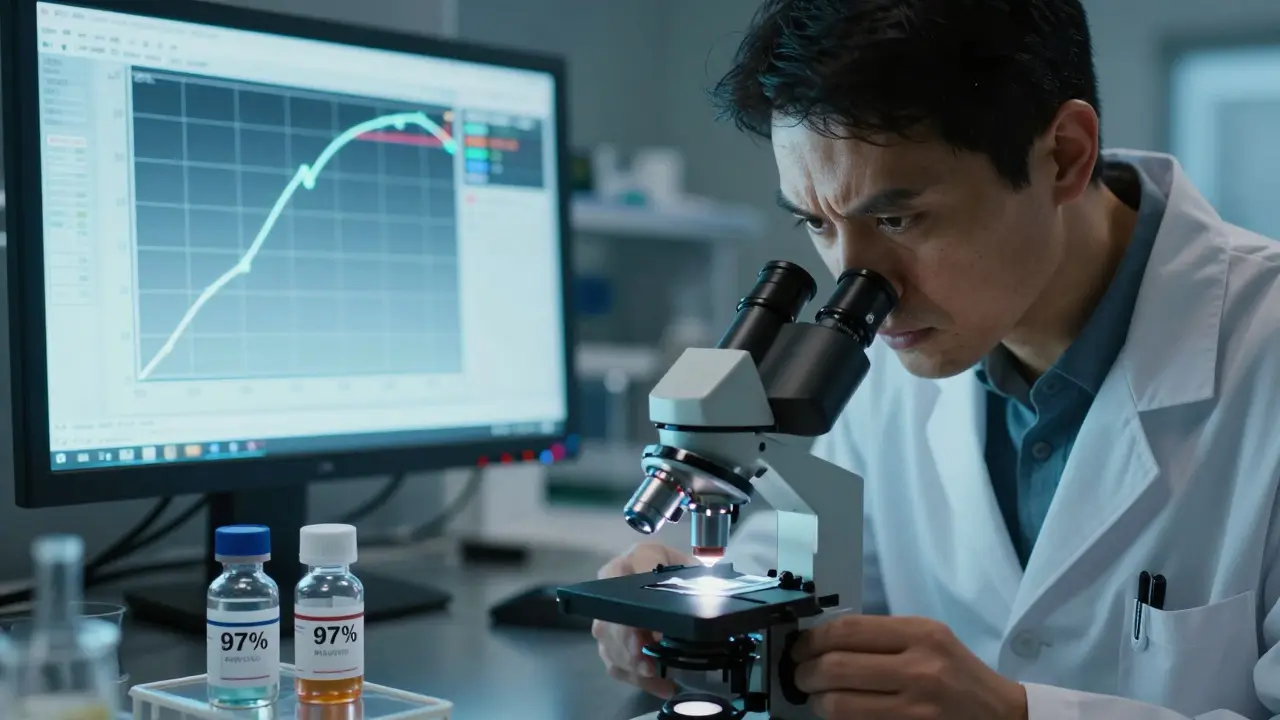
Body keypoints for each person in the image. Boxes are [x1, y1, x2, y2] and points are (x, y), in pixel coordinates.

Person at [592, 1, 1280, 718]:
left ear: (1065, 156)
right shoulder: (901, 353)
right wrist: (694, 611)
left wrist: (1017, 714)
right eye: (817, 224)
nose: (861, 289)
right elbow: (813, 569)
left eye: (898, 219)